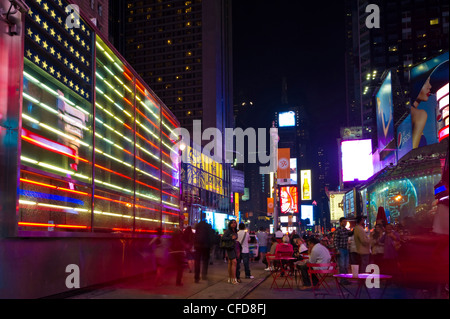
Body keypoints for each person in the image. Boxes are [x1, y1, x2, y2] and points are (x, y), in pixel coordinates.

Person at [333, 217, 353, 284]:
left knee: (346, 265)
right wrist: (337, 249)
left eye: (345, 222)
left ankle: (346, 279)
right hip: (341, 249)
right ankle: (342, 280)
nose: (345, 223)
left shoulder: (346, 230)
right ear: (341, 222)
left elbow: (350, 234)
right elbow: (335, 241)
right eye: (344, 222)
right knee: (342, 265)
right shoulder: (338, 230)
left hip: (346, 249)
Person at [193, 219, 213, 283]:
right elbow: (210, 237)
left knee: (197, 262)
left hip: (198, 246)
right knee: (205, 261)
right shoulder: (208, 226)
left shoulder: (197, 227)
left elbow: (194, 236)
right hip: (206, 246)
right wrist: (210, 246)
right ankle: (204, 275)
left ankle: (196, 277)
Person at [222, 220, 239, 284]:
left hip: (233, 247)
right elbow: (223, 238)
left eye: (235, 223)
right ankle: (234, 279)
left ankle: (230, 278)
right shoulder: (228, 231)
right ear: (230, 224)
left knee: (230, 262)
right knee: (234, 262)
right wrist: (231, 238)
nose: (234, 224)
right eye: (232, 223)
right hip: (230, 248)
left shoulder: (235, 231)